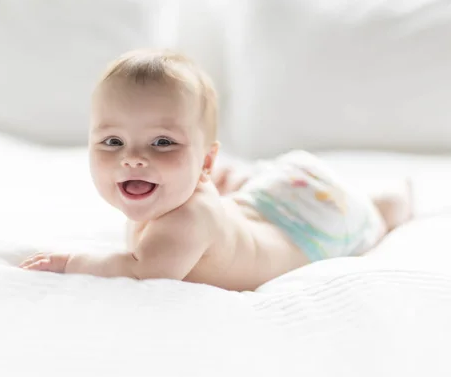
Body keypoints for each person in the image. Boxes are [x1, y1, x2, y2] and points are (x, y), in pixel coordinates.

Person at [20, 49, 412, 291]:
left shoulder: (185, 221)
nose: (133, 159)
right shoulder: (181, 194)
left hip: (313, 223)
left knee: (375, 212)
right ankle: (239, 177)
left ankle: (397, 197)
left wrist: (70, 263)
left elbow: (141, 272)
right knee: (241, 199)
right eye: (112, 142)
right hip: (268, 196)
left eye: (162, 143)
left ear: (206, 161)